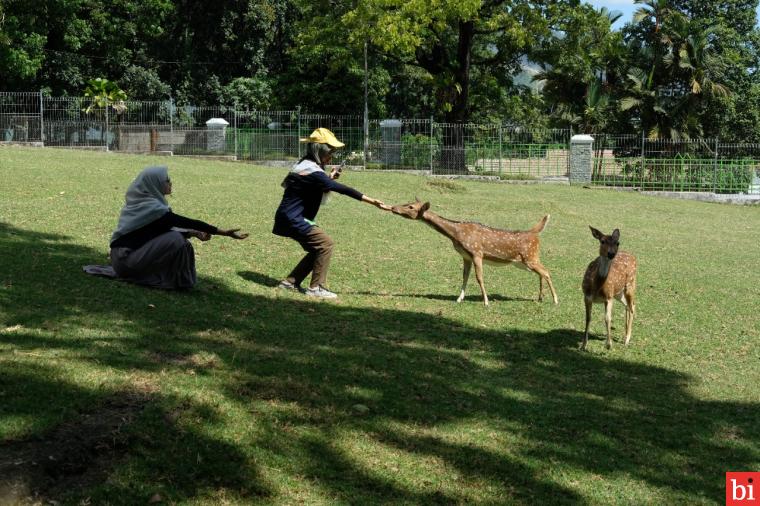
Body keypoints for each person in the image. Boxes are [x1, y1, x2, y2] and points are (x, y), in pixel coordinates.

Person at [273, 128, 389, 298]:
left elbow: (311, 184)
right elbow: (342, 189)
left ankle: (290, 282)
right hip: (293, 219)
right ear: (320, 151)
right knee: (325, 244)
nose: (332, 157)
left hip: (287, 217)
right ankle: (316, 288)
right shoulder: (313, 171)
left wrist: (329, 178)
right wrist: (373, 201)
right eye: (330, 153)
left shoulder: (304, 164)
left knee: (317, 249)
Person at [107, 165, 248, 289]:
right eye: (166, 180)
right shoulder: (153, 209)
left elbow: (159, 230)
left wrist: (193, 233)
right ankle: (179, 282)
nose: (170, 183)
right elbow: (184, 222)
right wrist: (223, 232)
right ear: (154, 184)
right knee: (177, 240)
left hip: (122, 260)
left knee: (178, 238)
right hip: (125, 260)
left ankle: (178, 280)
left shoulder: (144, 204)